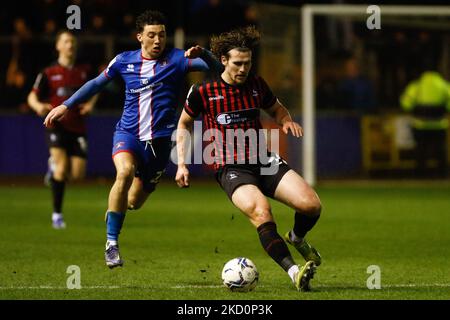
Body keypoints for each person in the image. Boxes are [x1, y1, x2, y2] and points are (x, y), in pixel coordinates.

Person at [44, 10, 222, 268]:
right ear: (140, 37)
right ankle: (111, 244)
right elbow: (95, 84)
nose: (158, 40)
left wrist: (203, 54)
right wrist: (66, 106)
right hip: (128, 135)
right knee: (124, 173)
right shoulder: (123, 61)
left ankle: (116, 210)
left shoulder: (177, 59)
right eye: (151, 35)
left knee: (134, 201)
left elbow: (220, 71)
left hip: (160, 143)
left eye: (161, 35)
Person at [175, 26, 322, 291]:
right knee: (262, 212)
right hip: (230, 167)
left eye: (248, 62)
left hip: (264, 160)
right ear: (223, 61)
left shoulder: (256, 84)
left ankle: (297, 238)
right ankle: (294, 272)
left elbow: (277, 109)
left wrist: (286, 121)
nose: (244, 68)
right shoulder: (203, 91)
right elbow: (184, 124)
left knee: (311, 205)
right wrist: (182, 164)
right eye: (238, 63)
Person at [28, 30, 98, 229]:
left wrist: (91, 104)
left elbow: (96, 88)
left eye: (73, 41)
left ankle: (53, 170)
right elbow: (31, 96)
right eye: (66, 41)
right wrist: (38, 106)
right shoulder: (48, 73)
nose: (70, 45)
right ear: (58, 46)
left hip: (78, 126)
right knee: (61, 168)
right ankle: (57, 215)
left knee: (77, 174)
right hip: (56, 126)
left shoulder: (84, 71)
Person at [400, 69, 450, 177]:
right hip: (439, 125)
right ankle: (442, 175)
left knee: (421, 151)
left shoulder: (416, 86)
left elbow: (405, 104)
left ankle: (420, 175)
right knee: (440, 151)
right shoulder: (444, 85)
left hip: (420, 125)